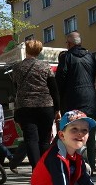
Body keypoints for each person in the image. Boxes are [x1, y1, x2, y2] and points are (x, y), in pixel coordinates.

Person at [11, 39, 61, 169]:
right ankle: (46, 169)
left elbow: (15, 87)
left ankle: (37, 170)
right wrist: (57, 109)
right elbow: (54, 89)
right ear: (39, 51)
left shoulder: (17, 67)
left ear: (26, 50)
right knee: (44, 140)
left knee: (31, 140)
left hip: (25, 107)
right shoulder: (45, 66)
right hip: (45, 106)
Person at [56, 31, 96, 170]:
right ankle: (91, 166)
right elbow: (93, 76)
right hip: (90, 99)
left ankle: (74, 167)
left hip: (72, 101)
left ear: (69, 44)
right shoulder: (91, 56)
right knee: (90, 136)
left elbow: (60, 80)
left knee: (71, 135)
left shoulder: (66, 57)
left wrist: (58, 101)